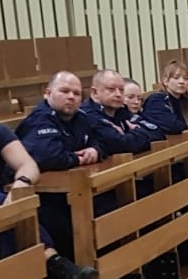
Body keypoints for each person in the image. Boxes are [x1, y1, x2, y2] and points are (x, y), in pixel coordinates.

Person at [13, 71, 108, 266]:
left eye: (76, 93)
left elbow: (102, 142)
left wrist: (95, 150)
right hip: (39, 194)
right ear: (47, 93)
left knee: (108, 207)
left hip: (70, 189)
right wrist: (78, 159)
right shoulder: (40, 119)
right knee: (64, 224)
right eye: (64, 91)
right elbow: (48, 157)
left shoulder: (81, 118)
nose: (71, 97)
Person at [81, 69, 155, 155]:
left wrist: (134, 131)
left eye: (121, 90)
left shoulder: (122, 110)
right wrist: (139, 133)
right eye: (111, 89)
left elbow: (156, 132)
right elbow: (119, 145)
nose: (118, 94)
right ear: (95, 92)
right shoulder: (87, 114)